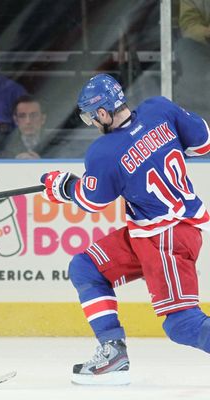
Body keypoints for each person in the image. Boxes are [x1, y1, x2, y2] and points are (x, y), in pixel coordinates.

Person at [40, 73, 210, 385]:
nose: (91, 123)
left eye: (91, 117)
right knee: (85, 267)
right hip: (148, 233)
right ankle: (113, 351)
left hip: (167, 237)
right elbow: (203, 143)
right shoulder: (159, 108)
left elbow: (91, 200)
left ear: (102, 113)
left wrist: (62, 187)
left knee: (181, 324)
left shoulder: (104, 153)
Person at [174, 0, 210, 122]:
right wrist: (207, 32)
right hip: (202, 47)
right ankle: (199, 123)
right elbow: (189, 26)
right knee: (186, 47)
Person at [0, 94, 49, 159]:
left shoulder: (56, 141)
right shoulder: (3, 142)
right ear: (16, 120)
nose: (28, 121)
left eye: (33, 115)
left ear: (43, 119)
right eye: (22, 116)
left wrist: (41, 164)